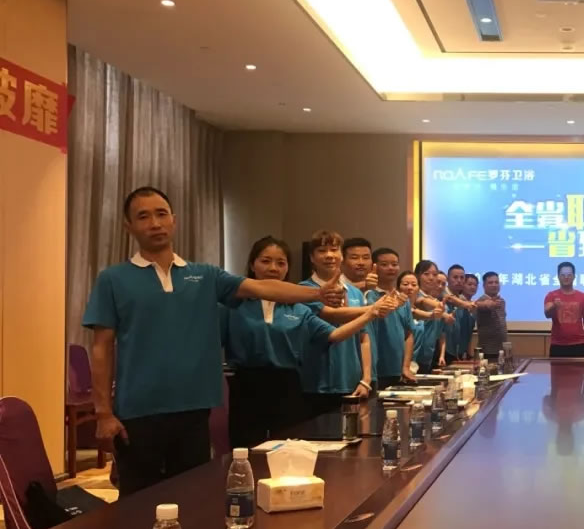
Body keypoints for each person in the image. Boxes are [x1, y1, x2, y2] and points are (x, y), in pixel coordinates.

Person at [83, 186, 344, 496]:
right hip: (137, 411)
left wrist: (316, 293)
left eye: (161, 214)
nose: (154, 223)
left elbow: (263, 288)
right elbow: (101, 348)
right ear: (129, 226)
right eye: (143, 216)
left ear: (174, 220)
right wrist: (103, 413)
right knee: (138, 501)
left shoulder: (206, 276)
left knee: (191, 498)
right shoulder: (113, 279)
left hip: (195, 409)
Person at [222, 236, 379, 448]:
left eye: (281, 263)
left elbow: (334, 335)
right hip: (246, 385)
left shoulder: (297, 305)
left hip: (289, 385)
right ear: (252, 264)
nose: (273, 268)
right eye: (265, 261)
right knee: (245, 449)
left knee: (288, 448)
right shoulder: (233, 304)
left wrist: (371, 314)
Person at [299, 230, 373, 417]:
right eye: (322, 251)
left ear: (341, 255)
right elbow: (335, 316)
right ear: (312, 258)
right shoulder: (304, 290)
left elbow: (363, 337)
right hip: (318, 383)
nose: (329, 255)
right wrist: (374, 310)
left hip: (352, 382)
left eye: (334, 250)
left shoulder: (355, 293)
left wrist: (366, 379)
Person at [366, 248, 416, 388]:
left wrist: (405, 367)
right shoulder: (368, 295)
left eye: (394, 264)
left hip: (397, 369)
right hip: (375, 369)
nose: (391, 268)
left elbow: (409, 334)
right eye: (384, 264)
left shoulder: (403, 299)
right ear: (374, 267)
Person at [543, 262, 584, 357]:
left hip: (578, 345)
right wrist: (554, 306)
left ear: (574, 276)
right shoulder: (551, 295)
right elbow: (547, 314)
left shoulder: (583, 297)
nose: (566, 277)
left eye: (569, 275)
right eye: (563, 275)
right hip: (557, 345)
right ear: (558, 277)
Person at [411, 260, 450, 373]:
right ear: (418, 275)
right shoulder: (415, 295)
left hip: (428, 354)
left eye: (434, 274)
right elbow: (421, 302)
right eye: (426, 274)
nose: (431, 278)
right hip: (414, 355)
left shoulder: (435, 299)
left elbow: (440, 333)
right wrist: (442, 312)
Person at [444, 266, 477, 362]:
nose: (459, 280)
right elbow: (449, 298)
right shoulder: (441, 293)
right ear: (447, 278)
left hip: (458, 352)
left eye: (462, 278)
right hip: (442, 350)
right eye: (455, 277)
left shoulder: (463, 300)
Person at [475, 271, 508, 358]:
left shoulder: (502, 301)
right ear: (484, 286)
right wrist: (489, 304)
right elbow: (484, 305)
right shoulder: (480, 301)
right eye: (490, 282)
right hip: (487, 350)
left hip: (502, 349)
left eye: (496, 282)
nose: (494, 285)